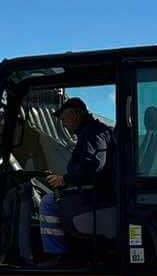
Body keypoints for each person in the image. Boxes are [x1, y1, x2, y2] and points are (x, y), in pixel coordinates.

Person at [40, 97, 117, 257]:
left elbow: (94, 166)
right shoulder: (93, 131)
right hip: (98, 191)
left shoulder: (92, 134)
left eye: (64, 120)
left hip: (98, 196)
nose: (64, 125)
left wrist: (64, 180)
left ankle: (57, 255)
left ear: (75, 115)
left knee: (48, 203)